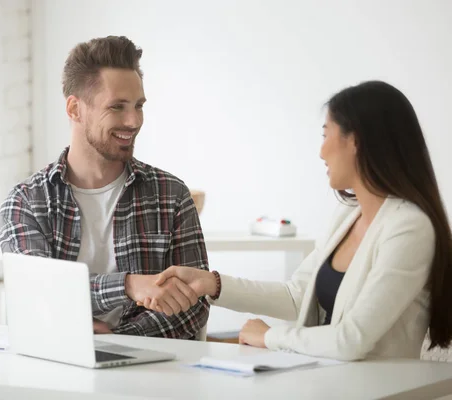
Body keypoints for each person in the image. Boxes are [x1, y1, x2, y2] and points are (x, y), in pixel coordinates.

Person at [141, 81, 452, 360]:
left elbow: (351, 339)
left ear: (355, 141)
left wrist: (269, 337)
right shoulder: (348, 215)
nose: (321, 152)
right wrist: (212, 283)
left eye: (326, 134)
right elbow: (298, 296)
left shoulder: (409, 228)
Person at [0, 36, 209, 339]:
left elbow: (194, 305)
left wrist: (117, 340)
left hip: (153, 375)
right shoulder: (27, 203)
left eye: (138, 106)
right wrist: (128, 285)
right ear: (74, 109)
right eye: (117, 107)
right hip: (56, 373)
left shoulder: (171, 196)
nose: (134, 120)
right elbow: (37, 294)